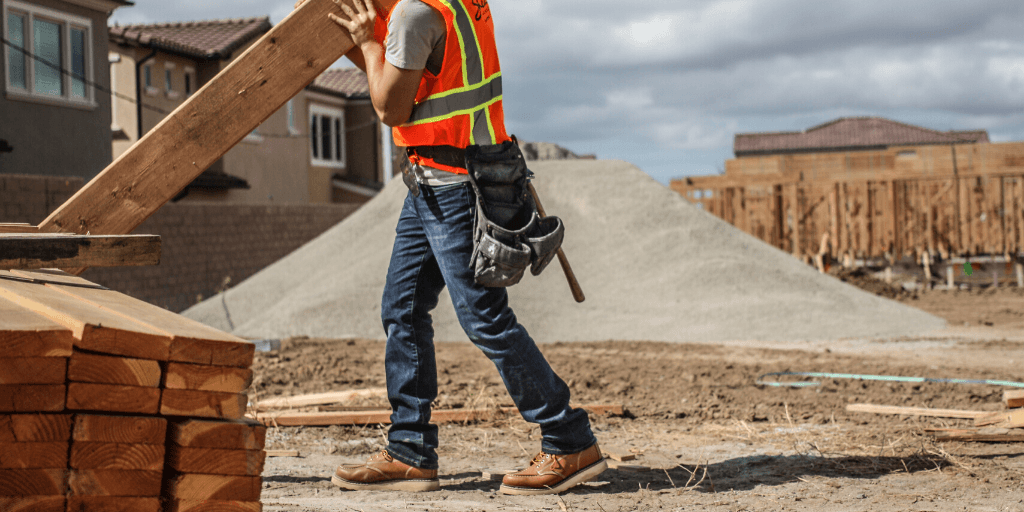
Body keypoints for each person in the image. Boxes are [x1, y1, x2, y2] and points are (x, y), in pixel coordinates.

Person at [296, 0, 606, 495]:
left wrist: (369, 42)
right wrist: (369, 42)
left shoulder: (412, 17)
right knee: (403, 308)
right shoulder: (459, 4)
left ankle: (569, 439)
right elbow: (410, 81)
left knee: (485, 318)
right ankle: (409, 451)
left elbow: (389, 107)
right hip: (440, 179)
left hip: (453, 185)